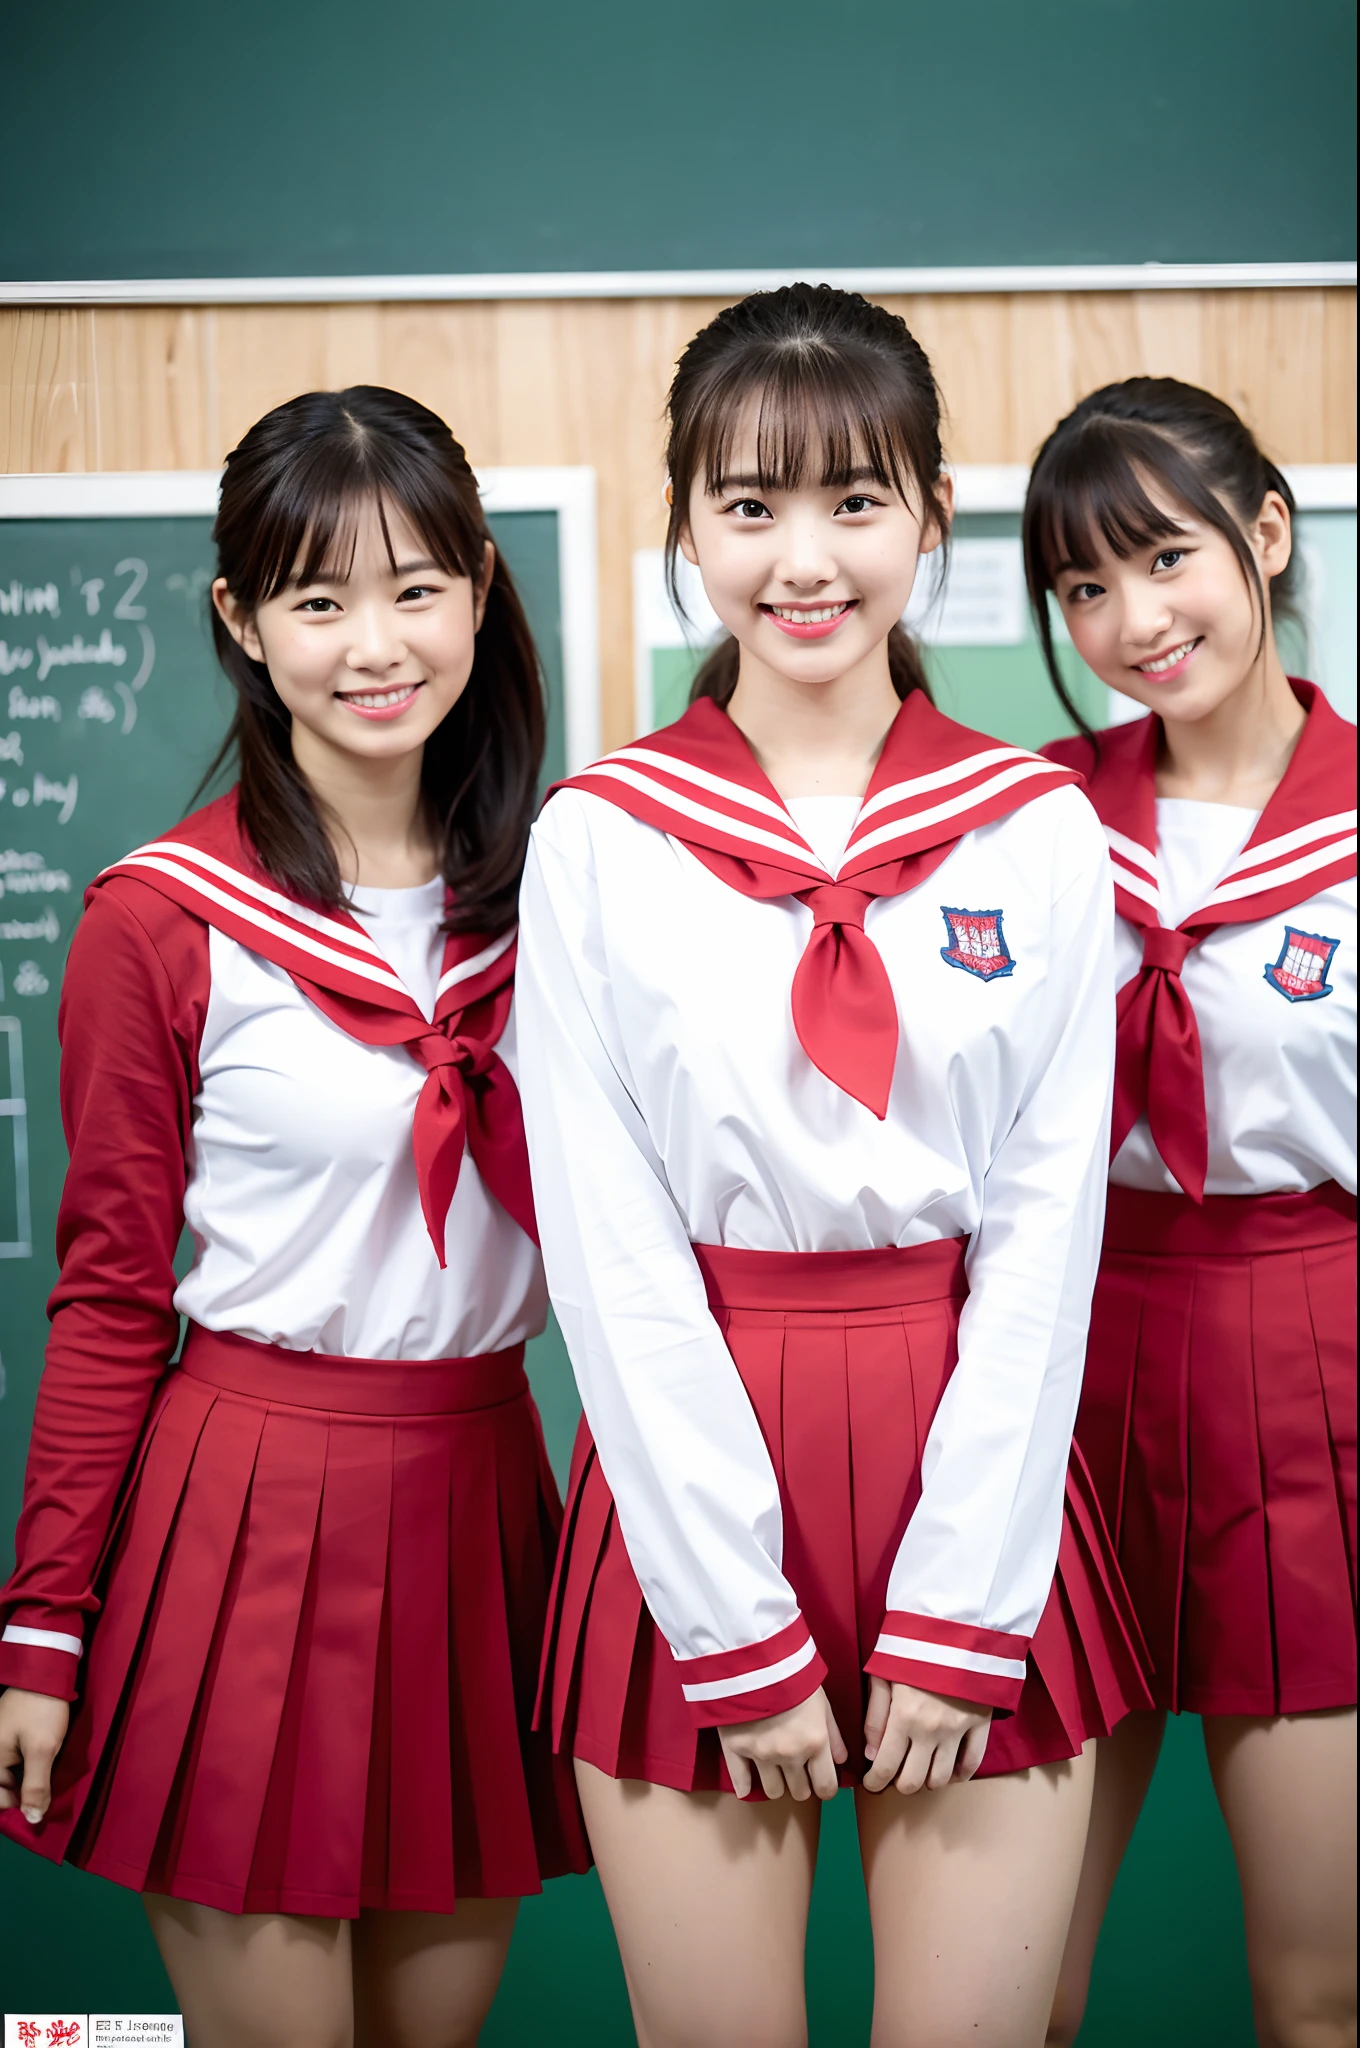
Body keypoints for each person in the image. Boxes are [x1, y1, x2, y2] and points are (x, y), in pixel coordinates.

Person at [514, 284, 1149, 2048]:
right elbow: (609, 1251)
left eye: (856, 501)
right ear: (686, 532)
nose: (805, 558)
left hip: (982, 1465)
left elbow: (1046, 1232)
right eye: (749, 505)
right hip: (691, 1476)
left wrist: (964, 1604)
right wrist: (730, 1622)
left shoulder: (1031, 829)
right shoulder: (598, 845)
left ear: (934, 519)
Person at [0, 386, 587, 2048]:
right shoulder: (160, 920)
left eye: (413, 587)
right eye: (317, 601)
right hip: (243, 1511)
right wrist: (41, 1625)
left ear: (481, 585)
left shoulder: (574, 908)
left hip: (483, 1504)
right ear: (242, 623)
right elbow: (110, 1298)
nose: (373, 644)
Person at [1024, 378, 1356, 2048]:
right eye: (1085, 587)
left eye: (1164, 558)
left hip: (1318, 1375)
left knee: (1317, 1992)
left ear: (1268, 538)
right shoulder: (1027, 828)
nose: (1133, 621)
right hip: (1059, 1368)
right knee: (1015, 1984)